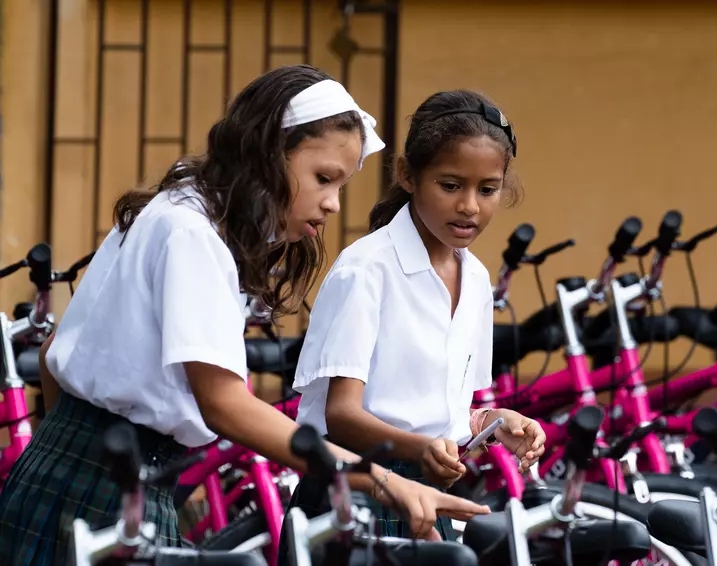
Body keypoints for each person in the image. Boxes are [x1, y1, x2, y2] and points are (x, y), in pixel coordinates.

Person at [0, 65, 489, 566]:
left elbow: (55, 347)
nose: (333, 204)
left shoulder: (174, 211)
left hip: (82, 476)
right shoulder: (191, 232)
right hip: (108, 491)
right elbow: (227, 406)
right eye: (323, 179)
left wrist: (63, 452)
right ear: (267, 155)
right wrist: (383, 479)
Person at [283, 89, 547, 545]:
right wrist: (422, 449)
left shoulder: (477, 280)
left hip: (423, 496)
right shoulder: (368, 269)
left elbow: (436, 411)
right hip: (353, 489)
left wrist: (493, 423)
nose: (470, 206)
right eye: (450, 185)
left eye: (487, 190)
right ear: (407, 175)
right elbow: (342, 414)